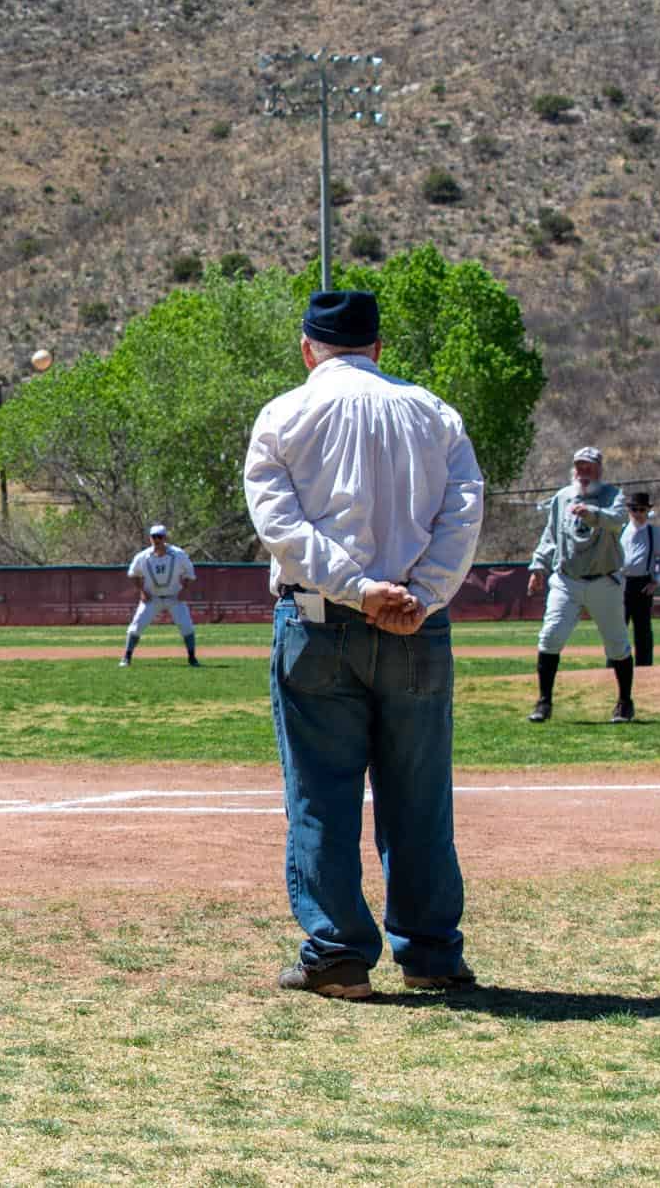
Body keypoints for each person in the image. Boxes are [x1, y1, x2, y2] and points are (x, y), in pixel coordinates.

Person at [244, 289, 484, 1000]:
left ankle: (340, 955)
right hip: (415, 626)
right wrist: (419, 594)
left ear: (307, 349)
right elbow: (463, 512)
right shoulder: (435, 413)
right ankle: (431, 954)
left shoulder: (283, 415)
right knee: (420, 796)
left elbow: (280, 525)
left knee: (321, 795)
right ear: (378, 347)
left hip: (318, 621)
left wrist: (356, 588)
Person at [526, 447, 634, 724]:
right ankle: (544, 702)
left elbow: (617, 520)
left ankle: (624, 702)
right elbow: (550, 535)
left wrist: (592, 513)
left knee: (616, 643)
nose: (583, 472)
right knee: (550, 636)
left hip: (604, 579)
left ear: (599, 469)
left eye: (589, 466)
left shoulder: (613, 496)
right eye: (579, 466)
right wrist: (538, 566)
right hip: (567, 579)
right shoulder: (562, 497)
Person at [119, 524, 200, 666]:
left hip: (174, 597)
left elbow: (190, 573)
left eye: (160, 537)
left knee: (186, 626)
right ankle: (126, 657)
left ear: (165, 538)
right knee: (136, 626)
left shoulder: (178, 554)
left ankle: (192, 657)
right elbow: (132, 574)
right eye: (154, 537)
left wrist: (184, 590)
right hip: (152, 597)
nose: (157, 540)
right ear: (150, 538)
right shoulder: (143, 556)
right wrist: (142, 591)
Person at [621, 491, 660, 667]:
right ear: (628, 510)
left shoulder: (654, 533)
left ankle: (644, 668)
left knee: (643, 629)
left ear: (647, 511)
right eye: (634, 509)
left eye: (642, 509)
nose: (638, 513)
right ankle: (615, 667)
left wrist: (657, 580)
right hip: (620, 584)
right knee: (617, 630)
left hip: (643, 584)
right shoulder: (620, 531)